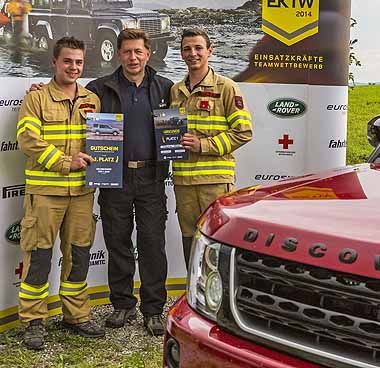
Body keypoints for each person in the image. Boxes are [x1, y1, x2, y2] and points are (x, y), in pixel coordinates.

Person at [17, 36, 103, 350]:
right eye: (67, 61)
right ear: (54, 62)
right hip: (46, 193)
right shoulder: (36, 98)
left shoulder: (92, 99)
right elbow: (28, 140)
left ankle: (76, 315)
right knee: (39, 258)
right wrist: (66, 163)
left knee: (79, 257)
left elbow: (103, 145)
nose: (73, 67)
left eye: (79, 62)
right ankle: (33, 321)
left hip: (82, 193)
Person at [86, 29, 173, 336]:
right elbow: (70, 99)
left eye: (138, 51)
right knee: (118, 242)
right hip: (115, 178)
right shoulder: (99, 88)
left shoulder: (166, 87)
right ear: (118, 54)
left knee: (152, 244)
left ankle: (153, 309)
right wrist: (38, 89)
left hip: (151, 177)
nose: (133, 58)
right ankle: (123, 304)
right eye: (127, 52)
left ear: (148, 53)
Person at [171, 28, 253, 267]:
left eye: (198, 48)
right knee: (191, 240)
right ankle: (195, 296)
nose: (192, 53)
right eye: (187, 49)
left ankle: (219, 299)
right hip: (184, 182)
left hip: (214, 182)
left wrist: (203, 144)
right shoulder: (176, 91)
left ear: (210, 51)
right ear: (181, 53)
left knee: (217, 239)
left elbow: (244, 132)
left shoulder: (226, 87)